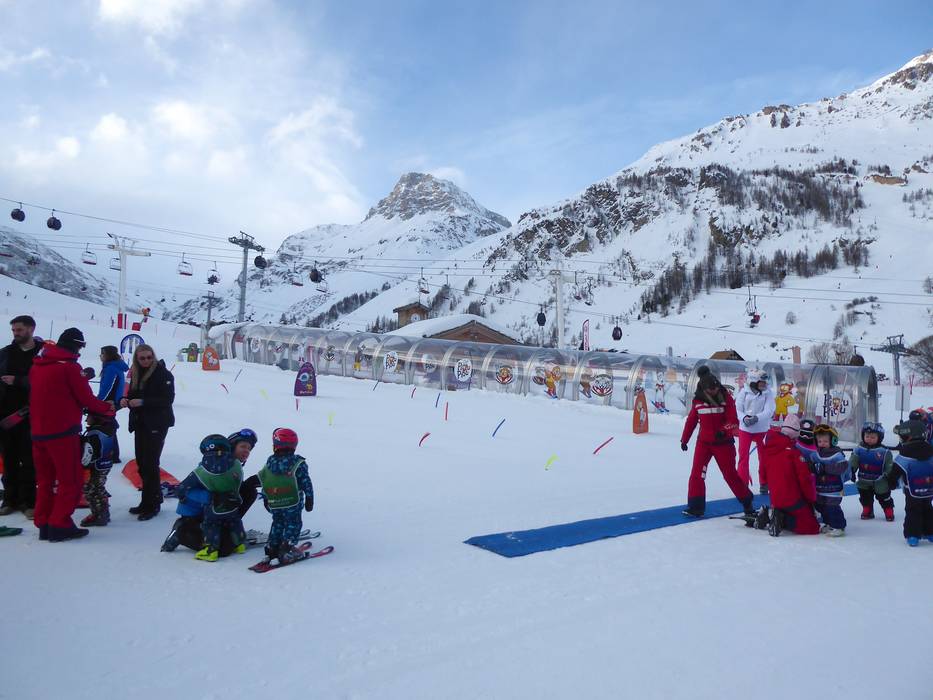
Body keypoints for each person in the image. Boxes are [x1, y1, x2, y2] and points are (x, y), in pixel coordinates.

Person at [29, 328, 115, 541]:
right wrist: (107, 408)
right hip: (62, 432)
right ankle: (59, 524)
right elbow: (86, 398)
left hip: (38, 433)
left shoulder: (38, 365)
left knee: (45, 481)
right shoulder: (69, 368)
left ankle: (44, 522)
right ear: (77, 346)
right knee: (70, 481)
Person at [161, 428, 257, 554]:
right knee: (224, 549)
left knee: (249, 491)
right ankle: (181, 532)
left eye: (249, 449)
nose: (246, 451)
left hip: (218, 511)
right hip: (197, 515)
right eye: (243, 446)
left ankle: (226, 530)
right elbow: (186, 491)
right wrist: (212, 497)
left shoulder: (234, 467)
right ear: (232, 446)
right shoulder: (209, 467)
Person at [680, 366, 755, 518]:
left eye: (716, 388)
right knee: (697, 474)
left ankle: (747, 502)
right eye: (711, 389)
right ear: (705, 389)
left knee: (729, 475)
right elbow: (692, 421)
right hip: (704, 443)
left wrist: (723, 431)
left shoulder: (726, 398)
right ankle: (696, 506)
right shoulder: (698, 401)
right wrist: (685, 439)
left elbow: (733, 420)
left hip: (723, 444)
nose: (715, 391)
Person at [121, 344, 175, 521]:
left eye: (149, 357)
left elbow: (167, 399)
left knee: (150, 463)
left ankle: (152, 504)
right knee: (142, 463)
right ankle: (149, 500)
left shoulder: (163, 374)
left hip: (157, 422)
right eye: (142, 358)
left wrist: (143, 402)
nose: (146, 361)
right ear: (137, 359)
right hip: (141, 422)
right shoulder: (136, 373)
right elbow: (131, 393)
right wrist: (125, 400)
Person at [175, 435, 246, 563]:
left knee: (211, 525)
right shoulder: (236, 464)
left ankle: (211, 550)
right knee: (234, 521)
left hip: (214, 506)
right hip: (233, 503)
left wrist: (182, 496)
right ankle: (239, 543)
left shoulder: (201, 471)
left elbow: (182, 487)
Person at [0, 315, 41, 518]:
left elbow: (46, 382)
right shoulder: (5, 353)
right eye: (14, 330)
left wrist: (19, 381)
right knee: (9, 458)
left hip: (33, 414)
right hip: (6, 415)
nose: (16, 333)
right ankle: (10, 499)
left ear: (31, 329)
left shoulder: (42, 354)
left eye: (19, 330)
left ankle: (29, 501)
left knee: (29, 459)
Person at [256, 427, 315, 566]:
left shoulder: (270, 462)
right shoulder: (297, 463)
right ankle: (286, 548)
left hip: (275, 501)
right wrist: (310, 498)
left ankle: (271, 549)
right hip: (292, 502)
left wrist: (266, 498)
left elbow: (266, 480)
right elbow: (305, 481)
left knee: (277, 522)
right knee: (293, 523)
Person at [755, 415, 819, 535]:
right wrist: (811, 499)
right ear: (795, 434)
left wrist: (765, 484)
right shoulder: (795, 453)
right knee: (812, 526)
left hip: (775, 498)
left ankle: (771, 514)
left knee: (787, 508)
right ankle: (781, 519)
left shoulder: (767, 449)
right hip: (793, 499)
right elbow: (804, 480)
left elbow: (762, 473)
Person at [889, 419, 933, 547]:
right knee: (928, 508)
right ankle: (930, 532)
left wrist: (891, 483)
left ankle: (913, 535)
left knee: (913, 510)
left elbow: (895, 471)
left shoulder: (904, 454)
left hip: (912, 490)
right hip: (929, 489)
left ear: (908, 437)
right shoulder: (931, 451)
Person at [802, 424, 849, 537]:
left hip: (834, 489)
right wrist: (810, 466)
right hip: (821, 488)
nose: (822, 443)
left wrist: (825, 468)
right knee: (821, 507)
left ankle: (839, 526)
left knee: (832, 507)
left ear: (833, 441)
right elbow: (810, 465)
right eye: (819, 441)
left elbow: (842, 467)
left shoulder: (837, 454)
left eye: (825, 441)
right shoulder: (816, 454)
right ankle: (829, 523)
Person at [735, 369, 776, 494]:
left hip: (761, 429)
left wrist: (757, 418)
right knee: (743, 457)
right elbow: (737, 409)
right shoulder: (744, 392)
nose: (764, 385)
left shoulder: (767, 393)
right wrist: (744, 418)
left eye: (765, 382)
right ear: (753, 382)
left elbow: (769, 410)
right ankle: (742, 485)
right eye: (761, 382)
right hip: (745, 429)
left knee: (763, 457)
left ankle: (764, 482)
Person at [849, 422, 895, 522]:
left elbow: (889, 465)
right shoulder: (859, 450)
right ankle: (867, 509)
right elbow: (853, 461)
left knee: (884, 497)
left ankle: (888, 510)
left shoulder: (884, 452)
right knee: (865, 497)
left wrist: (890, 476)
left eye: (873, 437)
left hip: (880, 480)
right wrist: (851, 471)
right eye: (867, 436)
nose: (869, 439)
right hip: (863, 480)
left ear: (880, 438)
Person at [79, 413, 117, 526]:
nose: (86, 420)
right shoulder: (107, 430)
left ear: (97, 418)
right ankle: (103, 512)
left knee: (92, 489)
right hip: (105, 464)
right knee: (98, 487)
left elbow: (90, 453)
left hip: (96, 466)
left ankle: (99, 515)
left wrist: (85, 464)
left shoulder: (95, 434)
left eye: (88, 417)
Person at [97, 345, 127, 463]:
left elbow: (107, 388)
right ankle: (112, 453)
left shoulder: (111, 368)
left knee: (106, 425)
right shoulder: (114, 366)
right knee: (108, 424)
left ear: (108, 355)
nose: (100, 356)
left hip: (111, 401)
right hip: (114, 400)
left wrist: (98, 402)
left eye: (102, 354)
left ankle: (111, 454)